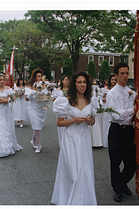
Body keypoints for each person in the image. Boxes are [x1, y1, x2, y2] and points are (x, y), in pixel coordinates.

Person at [51, 71, 97, 205]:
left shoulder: (91, 101)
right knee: (72, 171)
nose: (82, 85)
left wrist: (90, 120)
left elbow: (93, 122)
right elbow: (59, 123)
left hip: (85, 138)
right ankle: (69, 198)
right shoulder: (65, 101)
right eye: (79, 82)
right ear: (74, 84)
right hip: (71, 138)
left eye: (84, 82)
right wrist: (74, 120)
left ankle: (84, 199)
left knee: (85, 169)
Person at [106, 63, 137, 202]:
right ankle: (118, 189)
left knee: (132, 162)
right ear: (116, 75)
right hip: (117, 130)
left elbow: (131, 114)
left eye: (127, 73)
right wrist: (132, 111)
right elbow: (115, 115)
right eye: (122, 73)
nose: (125, 76)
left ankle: (122, 182)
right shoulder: (111, 93)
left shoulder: (132, 93)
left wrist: (133, 113)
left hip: (130, 131)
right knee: (115, 161)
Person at [25, 69, 48, 153]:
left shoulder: (45, 86)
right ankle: (39, 145)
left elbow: (47, 98)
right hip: (32, 108)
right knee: (37, 126)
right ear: (35, 78)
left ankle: (33, 140)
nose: (40, 78)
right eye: (38, 76)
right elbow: (26, 98)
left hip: (41, 109)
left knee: (37, 126)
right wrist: (32, 93)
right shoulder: (29, 87)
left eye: (41, 76)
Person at [52, 75, 69, 147]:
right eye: (65, 80)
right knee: (61, 126)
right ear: (62, 81)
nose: (67, 81)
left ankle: (68, 142)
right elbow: (54, 100)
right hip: (60, 109)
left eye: (68, 80)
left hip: (68, 109)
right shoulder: (57, 90)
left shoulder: (71, 90)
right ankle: (61, 142)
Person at [101, 74, 117, 148]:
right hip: (106, 108)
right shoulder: (105, 89)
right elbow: (102, 99)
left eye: (115, 80)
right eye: (112, 80)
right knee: (106, 124)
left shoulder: (117, 89)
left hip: (115, 108)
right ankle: (106, 141)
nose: (114, 81)